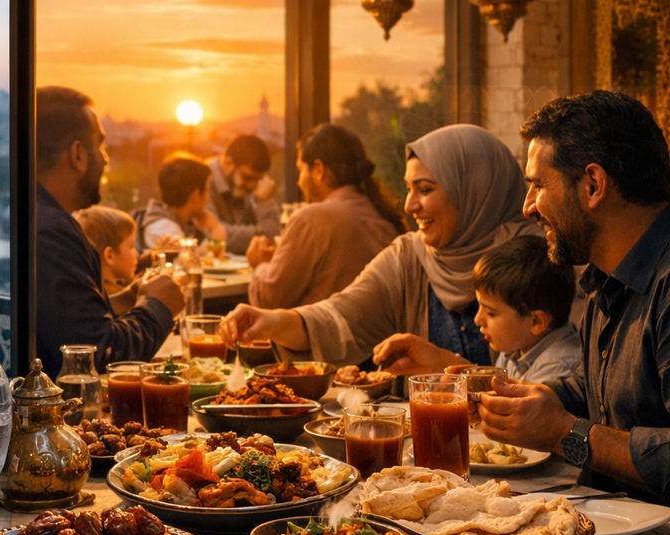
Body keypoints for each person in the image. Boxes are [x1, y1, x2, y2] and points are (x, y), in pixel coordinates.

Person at [475, 91, 670, 502]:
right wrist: (542, 398)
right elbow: (607, 391)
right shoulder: (605, 276)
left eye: (537, 185)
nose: (528, 208)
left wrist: (566, 433)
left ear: (594, 184)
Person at [220, 124, 540, 371]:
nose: (410, 204)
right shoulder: (408, 257)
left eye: (425, 189)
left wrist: (452, 371)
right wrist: (272, 321)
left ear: (476, 191)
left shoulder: (536, 261)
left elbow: (558, 392)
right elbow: (338, 317)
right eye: (408, 189)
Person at [35, 87, 183, 377]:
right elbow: (98, 355)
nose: (105, 160)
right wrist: (158, 307)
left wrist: (124, 301)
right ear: (78, 154)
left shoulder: (38, 218)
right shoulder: (51, 234)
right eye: (100, 147)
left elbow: (65, 325)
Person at [369, 236, 582, 383]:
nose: (478, 319)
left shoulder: (559, 368)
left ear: (536, 321)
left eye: (491, 313)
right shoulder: (516, 347)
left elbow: (515, 421)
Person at [246, 124, 407, 308]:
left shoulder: (312, 218)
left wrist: (261, 265)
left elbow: (269, 299)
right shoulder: (383, 216)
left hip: (328, 336)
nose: (299, 182)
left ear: (318, 169)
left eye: (300, 170)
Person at [206, 133, 281, 254]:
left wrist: (264, 201)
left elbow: (273, 235)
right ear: (228, 163)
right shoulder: (203, 181)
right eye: (247, 178)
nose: (252, 185)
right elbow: (215, 237)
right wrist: (260, 232)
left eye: (258, 180)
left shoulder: (253, 187)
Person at [136, 153, 227, 251]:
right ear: (195, 196)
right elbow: (190, 260)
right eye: (206, 190)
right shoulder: (164, 228)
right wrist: (216, 230)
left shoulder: (185, 221)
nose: (208, 198)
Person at [74, 205, 139, 302]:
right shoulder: (122, 304)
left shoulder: (83, 292)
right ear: (109, 255)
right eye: (131, 247)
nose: (137, 254)